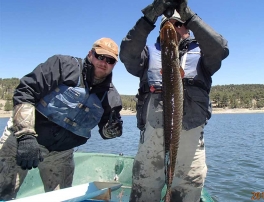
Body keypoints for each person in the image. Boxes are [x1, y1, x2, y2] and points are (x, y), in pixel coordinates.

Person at [119, 0, 229, 201]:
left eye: (179, 24)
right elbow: (127, 53)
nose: (174, 28)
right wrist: (149, 16)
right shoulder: (147, 53)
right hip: (151, 145)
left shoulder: (203, 53)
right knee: (143, 190)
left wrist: (190, 15)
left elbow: (220, 48)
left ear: (188, 28)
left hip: (191, 146)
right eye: (167, 26)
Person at [0, 37, 123, 200]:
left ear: (114, 64)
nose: (104, 62)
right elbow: (25, 92)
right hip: (22, 139)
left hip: (61, 154)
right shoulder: (62, 65)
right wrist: (26, 136)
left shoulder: (111, 97)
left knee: (63, 198)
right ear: (90, 54)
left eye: (110, 60)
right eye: (100, 56)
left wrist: (111, 131)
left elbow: (105, 131)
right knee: (3, 192)